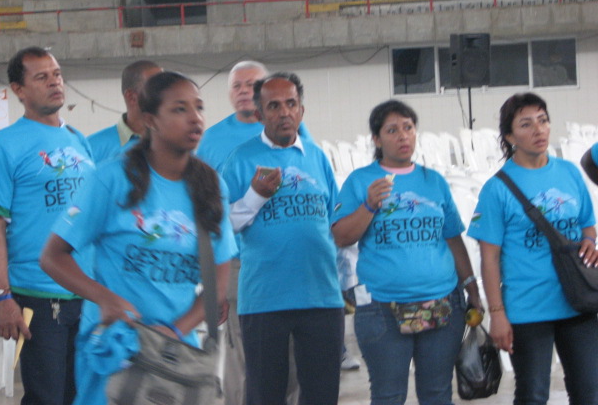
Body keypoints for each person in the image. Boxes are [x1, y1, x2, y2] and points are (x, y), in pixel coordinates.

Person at [40, 71, 235, 405]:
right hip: (115, 352)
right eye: (180, 109)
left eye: (199, 107)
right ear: (150, 120)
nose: (195, 118)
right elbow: (52, 256)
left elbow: (218, 279)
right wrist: (105, 299)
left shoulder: (210, 186)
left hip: (174, 360)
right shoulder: (112, 178)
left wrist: (175, 330)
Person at [331, 99, 482, 405]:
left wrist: (472, 288)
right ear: (377, 139)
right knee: (388, 395)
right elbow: (342, 237)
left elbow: (453, 239)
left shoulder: (433, 181)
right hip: (382, 308)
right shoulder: (361, 181)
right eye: (392, 130)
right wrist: (369, 205)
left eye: (408, 128)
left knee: (437, 394)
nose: (403, 136)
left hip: (442, 303)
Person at [0, 46, 95, 405]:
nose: (54, 83)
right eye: (41, 77)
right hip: (40, 297)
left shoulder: (78, 140)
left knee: (84, 396)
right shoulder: (4, 145)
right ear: (19, 90)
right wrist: (2, 297)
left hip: (86, 293)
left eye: (57, 74)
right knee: (47, 398)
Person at [222, 72, 344, 405]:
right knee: (266, 395)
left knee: (322, 396)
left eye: (291, 104)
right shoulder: (240, 160)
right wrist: (254, 196)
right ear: (259, 115)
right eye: (274, 106)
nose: (284, 112)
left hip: (321, 297)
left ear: (301, 110)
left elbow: (335, 222)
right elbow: (220, 227)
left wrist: (347, 282)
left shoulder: (317, 157)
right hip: (265, 300)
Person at [468, 92, 598, 405]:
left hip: (577, 301)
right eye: (526, 124)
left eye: (543, 120)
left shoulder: (569, 172)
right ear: (510, 137)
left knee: (589, 392)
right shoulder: (497, 189)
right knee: (533, 394)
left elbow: (587, 224)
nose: (538, 129)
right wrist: (497, 314)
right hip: (528, 309)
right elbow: (489, 258)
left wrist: (590, 242)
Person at [196, 60, 304, 405]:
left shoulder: (297, 134)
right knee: (244, 363)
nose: (245, 91)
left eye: (253, 84)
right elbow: (206, 215)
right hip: (239, 266)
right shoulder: (210, 141)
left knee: (292, 362)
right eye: (237, 85)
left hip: (289, 265)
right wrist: (212, 282)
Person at [88, 60, 162, 163]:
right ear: (131, 97)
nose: (167, 94)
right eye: (157, 88)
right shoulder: (90, 148)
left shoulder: (178, 143)